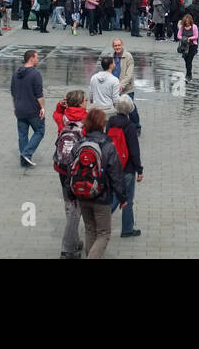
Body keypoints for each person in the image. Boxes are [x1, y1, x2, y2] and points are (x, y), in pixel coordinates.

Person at [69, 107, 129, 259]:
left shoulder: (79, 145)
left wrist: (71, 195)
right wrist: (122, 198)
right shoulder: (107, 146)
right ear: (102, 124)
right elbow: (116, 174)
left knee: (90, 229)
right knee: (104, 233)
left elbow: (71, 171)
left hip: (82, 194)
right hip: (101, 196)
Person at [53, 89, 88, 259]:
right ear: (81, 103)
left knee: (69, 205)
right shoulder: (86, 119)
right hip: (78, 169)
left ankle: (74, 240)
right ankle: (69, 248)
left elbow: (55, 114)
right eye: (85, 100)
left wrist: (61, 105)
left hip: (62, 168)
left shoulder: (63, 118)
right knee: (76, 208)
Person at [107, 95, 144, 238]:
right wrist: (139, 169)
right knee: (125, 197)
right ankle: (126, 228)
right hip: (127, 167)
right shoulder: (130, 127)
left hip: (112, 165)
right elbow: (134, 151)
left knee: (115, 194)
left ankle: (126, 226)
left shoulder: (110, 122)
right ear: (130, 109)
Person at [10, 49, 45, 167]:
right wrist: (43, 107)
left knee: (22, 134)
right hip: (32, 109)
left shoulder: (16, 73)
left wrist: (15, 106)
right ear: (31, 58)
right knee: (40, 131)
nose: (38, 59)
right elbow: (39, 94)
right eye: (37, 57)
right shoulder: (35, 74)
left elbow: (13, 92)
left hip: (20, 109)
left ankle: (24, 161)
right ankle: (27, 153)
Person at [105, 39, 139, 129]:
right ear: (113, 47)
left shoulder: (128, 57)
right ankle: (117, 127)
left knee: (131, 109)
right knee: (115, 109)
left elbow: (129, 74)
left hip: (126, 89)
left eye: (119, 45)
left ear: (122, 45)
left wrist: (121, 85)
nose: (117, 47)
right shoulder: (110, 56)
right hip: (113, 89)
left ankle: (136, 126)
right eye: (115, 46)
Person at [177, 13, 199, 80]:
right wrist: (184, 38)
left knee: (189, 60)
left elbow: (196, 36)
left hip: (192, 46)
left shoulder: (194, 27)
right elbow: (178, 35)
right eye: (186, 21)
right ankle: (189, 73)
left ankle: (188, 75)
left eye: (188, 21)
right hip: (184, 46)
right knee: (186, 60)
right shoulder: (182, 27)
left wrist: (190, 38)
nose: (187, 23)